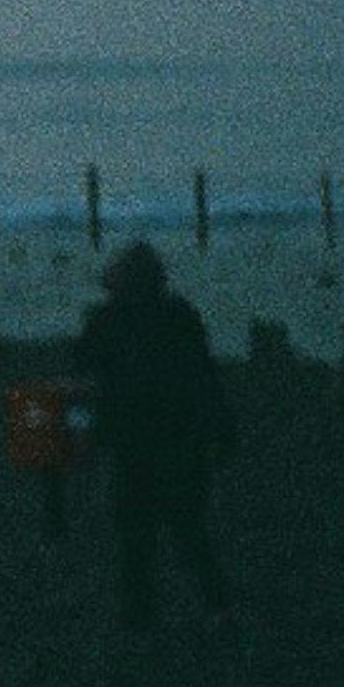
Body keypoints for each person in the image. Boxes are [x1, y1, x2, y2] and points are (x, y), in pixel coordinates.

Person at [75, 241, 235, 628]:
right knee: (187, 529)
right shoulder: (179, 316)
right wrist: (223, 431)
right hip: (178, 438)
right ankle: (216, 605)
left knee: (135, 535)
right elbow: (205, 378)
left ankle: (141, 615)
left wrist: (89, 434)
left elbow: (82, 363)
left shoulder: (108, 319)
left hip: (133, 441)